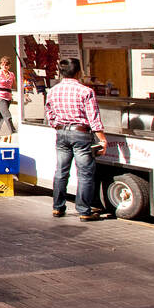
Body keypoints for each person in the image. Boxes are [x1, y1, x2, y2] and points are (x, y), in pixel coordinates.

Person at [44, 57, 107, 220]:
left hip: (61, 133)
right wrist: (101, 138)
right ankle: (84, 210)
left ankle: (58, 207)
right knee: (85, 173)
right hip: (80, 134)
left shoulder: (53, 91)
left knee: (61, 171)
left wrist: (58, 125)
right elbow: (93, 117)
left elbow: (49, 114)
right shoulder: (85, 91)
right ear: (79, 72)